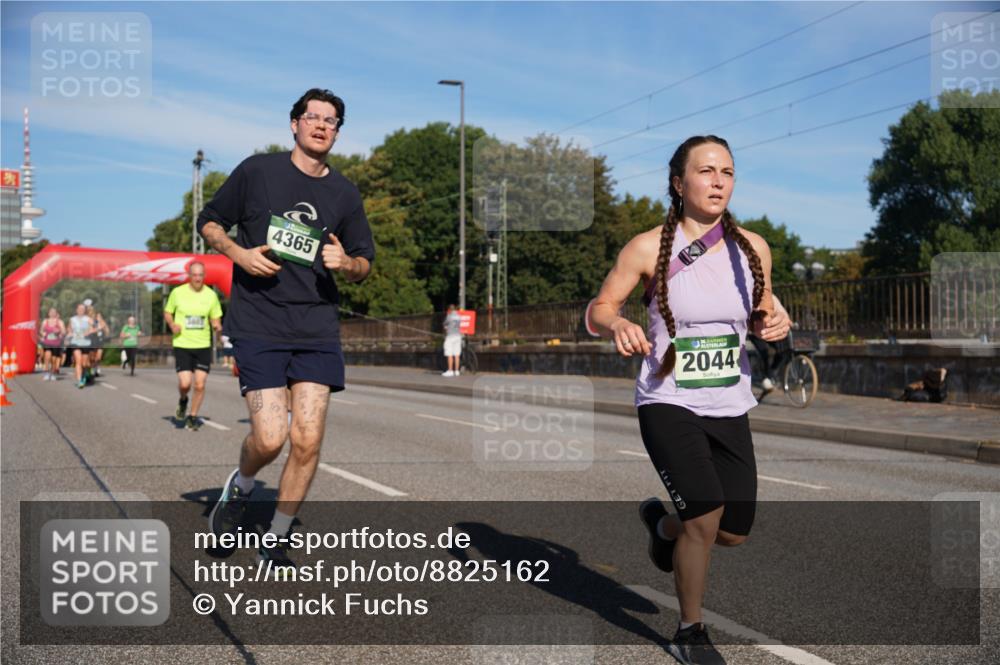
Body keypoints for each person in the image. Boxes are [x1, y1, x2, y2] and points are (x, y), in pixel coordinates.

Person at [588, 135, 790, 665]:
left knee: (732, 531)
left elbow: (764, 304)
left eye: (727, 170)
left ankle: (663, 527)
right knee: (703, 516)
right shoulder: (647, 246)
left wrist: (777, 317)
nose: (719, 180)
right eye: (706, 170)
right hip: (667, 398)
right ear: (679, 183)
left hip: (729, 402)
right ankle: (690, 630)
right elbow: (599, 307)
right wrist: (619, 322)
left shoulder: (753, 246)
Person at [199, 88, 374, 573]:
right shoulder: (258, 171)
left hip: (316, 327)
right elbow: (209, 222)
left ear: (338, 131)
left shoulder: (344, 194)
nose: (321, 125)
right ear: (294, 123)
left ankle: (275, 538)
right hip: (259, 323)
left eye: (331, 120)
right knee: (272, 437)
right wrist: (239, 254)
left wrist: (348, 263)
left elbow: (365, 261)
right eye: (312, 117)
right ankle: (243, 484)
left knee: (308, 439)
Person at [164, 261, 222, 431]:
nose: (197, 278)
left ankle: (193, 416)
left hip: (203, 344)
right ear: (189, 276)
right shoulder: (177, 292)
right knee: (185, 383)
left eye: (200, 275)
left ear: (204, 276)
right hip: (182, 343)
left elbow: (215, 317)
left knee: (200, 384)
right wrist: (172, 324)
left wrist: (217, 326)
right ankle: (183, 400)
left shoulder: (211, 295)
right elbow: (168, 312)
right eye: (194, 275)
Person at [66, 303, 94, 389]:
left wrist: (89, 332)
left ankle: (85, 374)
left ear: (85, 310)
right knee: (78, 361)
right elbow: (69, 329)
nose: (81, 310)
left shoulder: (88, 319)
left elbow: (96, 327)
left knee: (84, 363)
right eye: (79, 309)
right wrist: (68, 336)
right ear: (76, 310)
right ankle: (79, 381)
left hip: (86, 342)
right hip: (75, 342)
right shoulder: (72, 319)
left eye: (83, 309)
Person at [38, 308, 66, 380]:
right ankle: (47, 373)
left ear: (56, 313)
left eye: (54, 312)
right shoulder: (45, 321)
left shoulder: (59, 322)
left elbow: (64, 331)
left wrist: (59, 331)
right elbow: (41, 330)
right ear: (48, 313)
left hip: (56, 343)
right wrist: (42, 334)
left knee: (54, 360)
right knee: (47, 357)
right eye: (51, 312)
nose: (52, 313)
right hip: (47, 342)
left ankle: (52, 373)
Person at [442, 304, 462, 377]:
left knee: (449, 354)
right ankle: (457, 371)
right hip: (458, 336)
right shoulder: (459, 317)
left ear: (450, 310)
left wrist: (445, 327)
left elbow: (445, 324)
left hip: (450, 336)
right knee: (457, 355)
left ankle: (450, 370)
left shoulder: (449, 316)